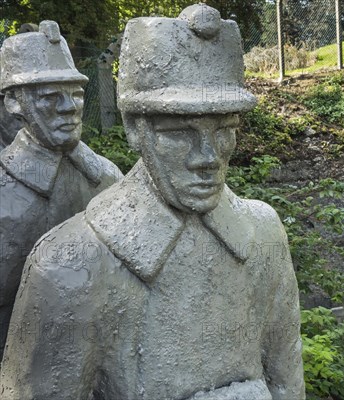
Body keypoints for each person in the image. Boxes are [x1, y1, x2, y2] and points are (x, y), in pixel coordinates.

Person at [0, 5, 305, 399]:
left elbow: (287, 384)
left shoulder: (265, 232)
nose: (208, 157)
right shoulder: (67, 263)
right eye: (179, 132)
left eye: (225, 129)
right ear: (134, 129)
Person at [0, 21, 122, 362]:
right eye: (51, 96)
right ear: (13, 102)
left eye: (77, 94)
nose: (70, 107)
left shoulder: (108, 177)